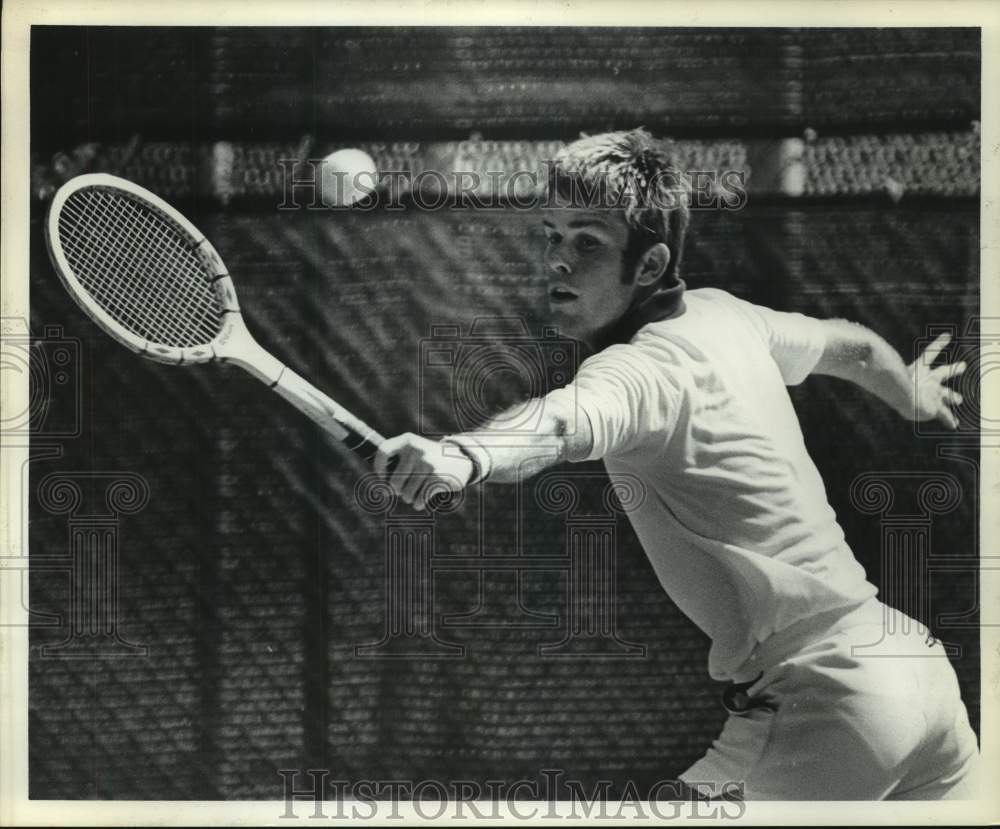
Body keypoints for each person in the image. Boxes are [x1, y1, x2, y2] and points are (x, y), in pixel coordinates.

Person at [373, 129, 980, 800]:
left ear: (651, 263)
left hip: (830, 698)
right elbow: (855, 351)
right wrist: (914, 396)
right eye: (551, 234)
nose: (558, 261)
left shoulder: (636, 370)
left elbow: (561, 420)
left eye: (588, 242)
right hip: (911, 669)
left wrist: (463, 454)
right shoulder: (727, 315)